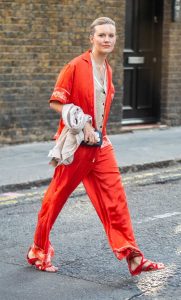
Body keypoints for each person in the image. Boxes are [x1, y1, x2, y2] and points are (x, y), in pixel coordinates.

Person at [27, 17, 165, 275]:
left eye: (111, 36)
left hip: (101, 146)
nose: (107, 40)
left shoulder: (108, 70)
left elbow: (100, 108)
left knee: (116, 199)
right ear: (91, 38)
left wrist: (100, 131)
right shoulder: (75, 66)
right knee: (55, 199)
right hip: (76, 146)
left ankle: (133, 256)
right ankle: (38, 249)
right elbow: (56, 102)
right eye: (102, 35)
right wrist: (83, 124)